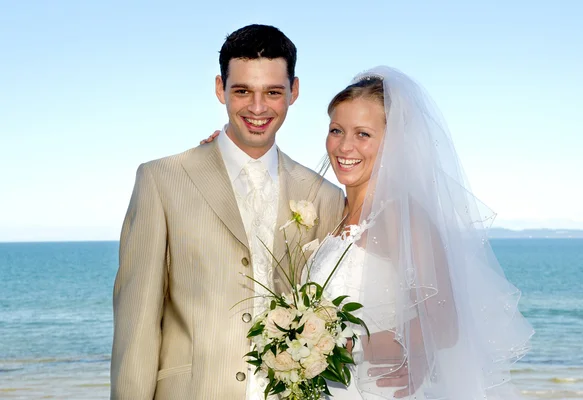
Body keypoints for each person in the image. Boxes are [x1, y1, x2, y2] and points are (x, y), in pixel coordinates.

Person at [110, 24, 345, 400]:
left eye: (272, 92)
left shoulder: (326, 196)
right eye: (242, 91)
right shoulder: (161, 180)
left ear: (294, 91)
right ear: (220, 88)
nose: (257, 108)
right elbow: (136, 323)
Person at [303, 67, 535, 399]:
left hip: (377, 389)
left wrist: (331, 344)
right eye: (337, 130)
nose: (345, 146)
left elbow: (443, 324)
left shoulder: (400, 215)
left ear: (393, 142)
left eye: (363, 134)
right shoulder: (332, 213)